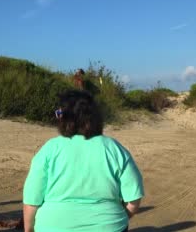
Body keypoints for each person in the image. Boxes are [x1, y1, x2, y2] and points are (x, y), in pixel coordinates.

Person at [22, 90, 144, 232]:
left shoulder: (49, 149)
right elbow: (134, 200)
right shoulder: (114, 148)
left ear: (64, 118)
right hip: (109, 225)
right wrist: (117, 218)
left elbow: (31, 201)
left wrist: (29, 229)